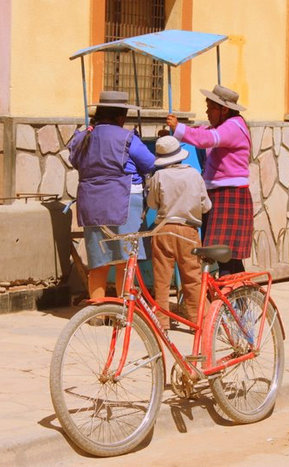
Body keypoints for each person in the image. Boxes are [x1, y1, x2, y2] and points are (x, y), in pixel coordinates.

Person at [68, 91, 155, 298]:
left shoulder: (82, 137)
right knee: (124, 262)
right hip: (123, 202)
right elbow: (150, 163)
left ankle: (97, 312)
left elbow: (75, 161)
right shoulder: (127, 137)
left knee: (99, 263)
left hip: (91, 204)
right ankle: (121, 313)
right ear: (121, 116)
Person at [165, 84, 253, 276]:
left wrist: (178, 128)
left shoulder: (233, 126)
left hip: (230, 195)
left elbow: (205, 139)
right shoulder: (222, 125)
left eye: (211, 107)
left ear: (224, 109)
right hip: (220, 194)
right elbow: (201, 131)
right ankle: (236, 302)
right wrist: (176, 132)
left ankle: (233, 302)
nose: (207, 111)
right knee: (225, 257)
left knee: (227, 258)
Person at [146, 135, 211, 330]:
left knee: (162, 279)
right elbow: (206, 205)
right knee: (192, 278)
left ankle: (162, 321)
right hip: (188, 230)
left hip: (164, 230)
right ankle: (195, 320)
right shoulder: (194, 175)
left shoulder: (159, 176)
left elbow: (151, 204)